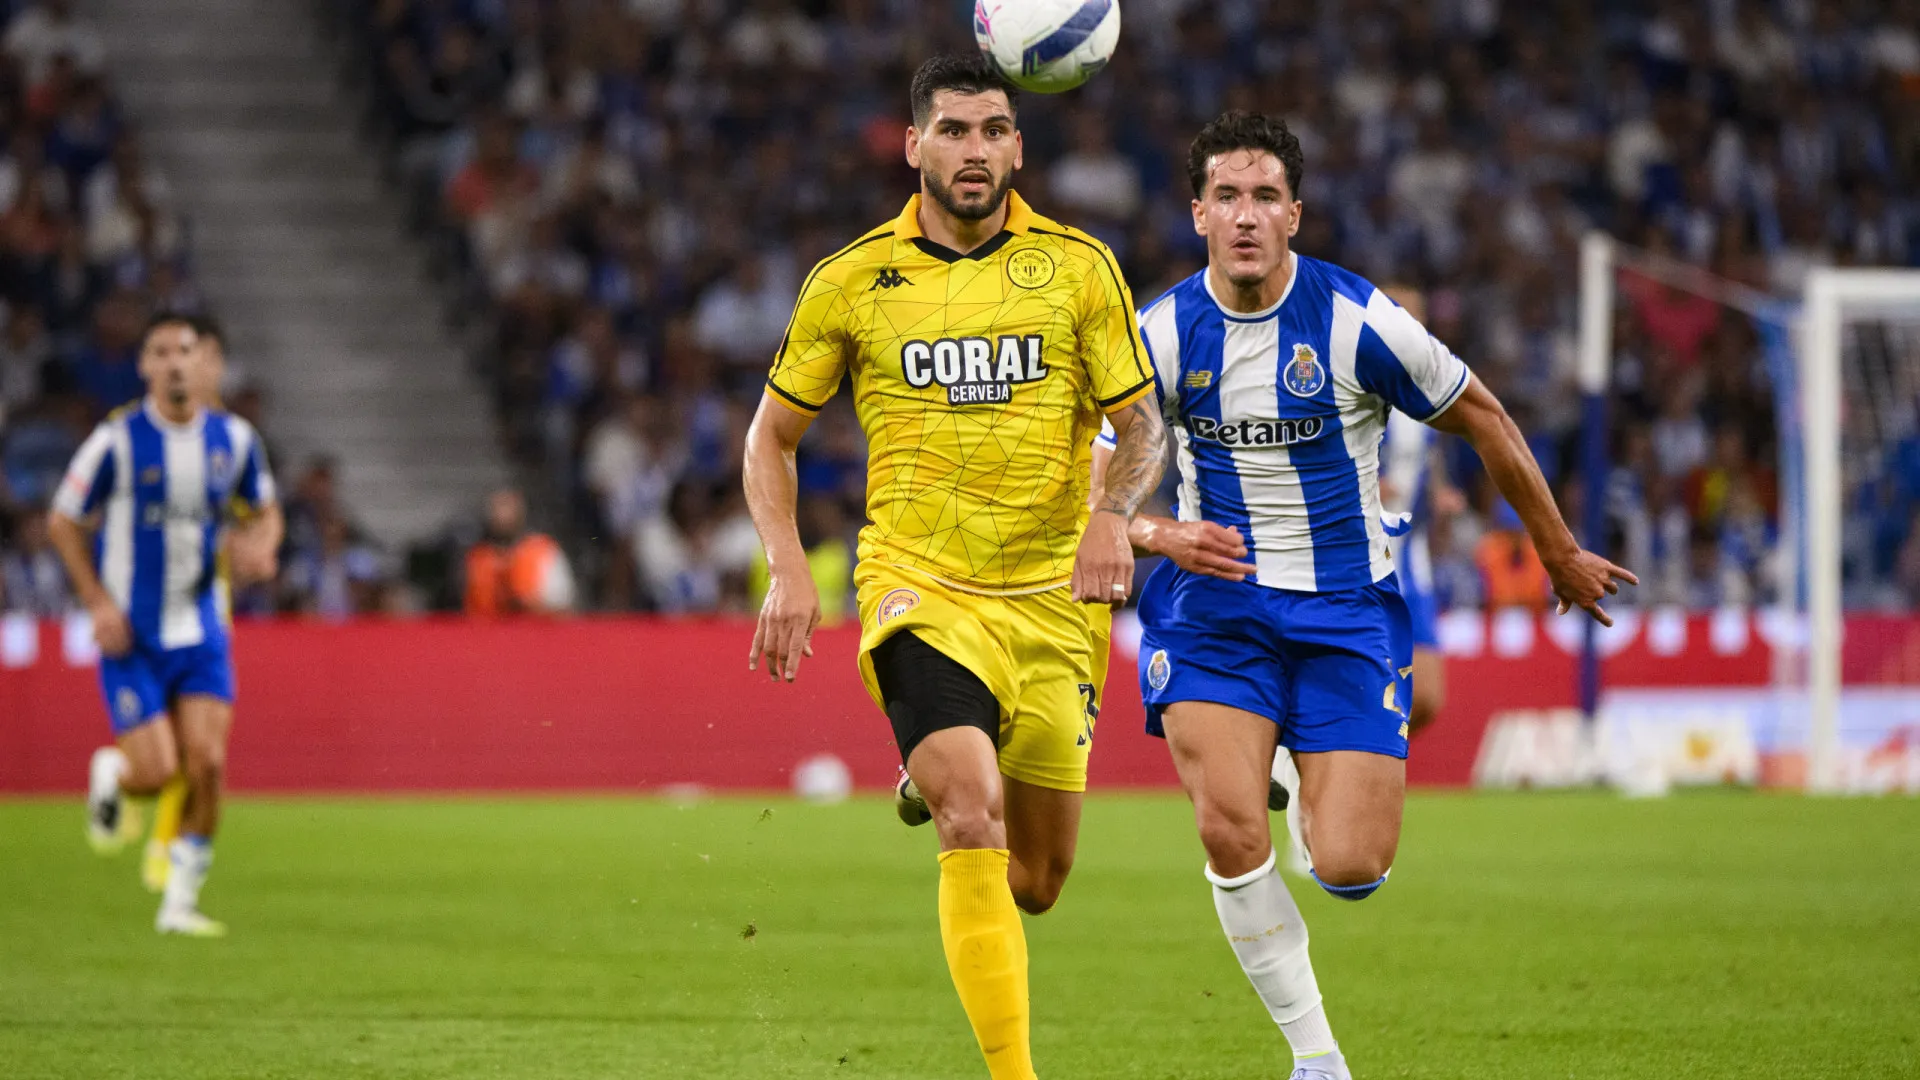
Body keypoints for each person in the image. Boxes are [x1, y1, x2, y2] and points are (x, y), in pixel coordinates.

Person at [1122, 112, 1634, 1080]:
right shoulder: (1156, 332)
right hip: (1214, 609)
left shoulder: (1358, 322)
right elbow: (1097, 478)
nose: (1245, 215)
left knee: (1353, 869)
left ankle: (1302, 784)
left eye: (1265, 196)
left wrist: (1558, 549)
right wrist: (1154, 532)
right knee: (1227, 824)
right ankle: (1316, 1059)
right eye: (1226, 196)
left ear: (1296, 216)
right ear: (1197, 214)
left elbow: (1483, 415)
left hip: (1347, 609)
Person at [742, 56, 1165, 1080]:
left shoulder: (1078, 268)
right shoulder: (850, 281)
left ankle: (928, 762)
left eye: (992, 131)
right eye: (954, 131)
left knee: (1035, 879)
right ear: (913, 144)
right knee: (968, 809)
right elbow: (771, 440)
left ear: (1019, 145)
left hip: (1055, 603)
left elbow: (1142, 424)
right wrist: (788, 568)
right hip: (918, 584)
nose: (973, 151)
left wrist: (1114, 515)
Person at [46, 311, 282, 937]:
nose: (175, 362)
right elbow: (63, 520)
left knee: (206, 765)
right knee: (155, 774)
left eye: (185, 350)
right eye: (160, 352)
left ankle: (179, 903)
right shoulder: (117, 441)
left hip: (201, 631)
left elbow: (265, 509)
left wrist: (264, 544)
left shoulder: (233, 441)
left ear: (203, 361)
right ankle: (114, 773)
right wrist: (97, 602)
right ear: (144, 366)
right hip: (134, 635)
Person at [463, 487, 576, 615]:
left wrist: (526, 604)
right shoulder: (477, 555)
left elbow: (563, 606)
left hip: (531, 630)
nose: (501, 515)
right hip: (484, 631)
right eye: (496, 508)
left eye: (506, 507)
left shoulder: (542, 550)